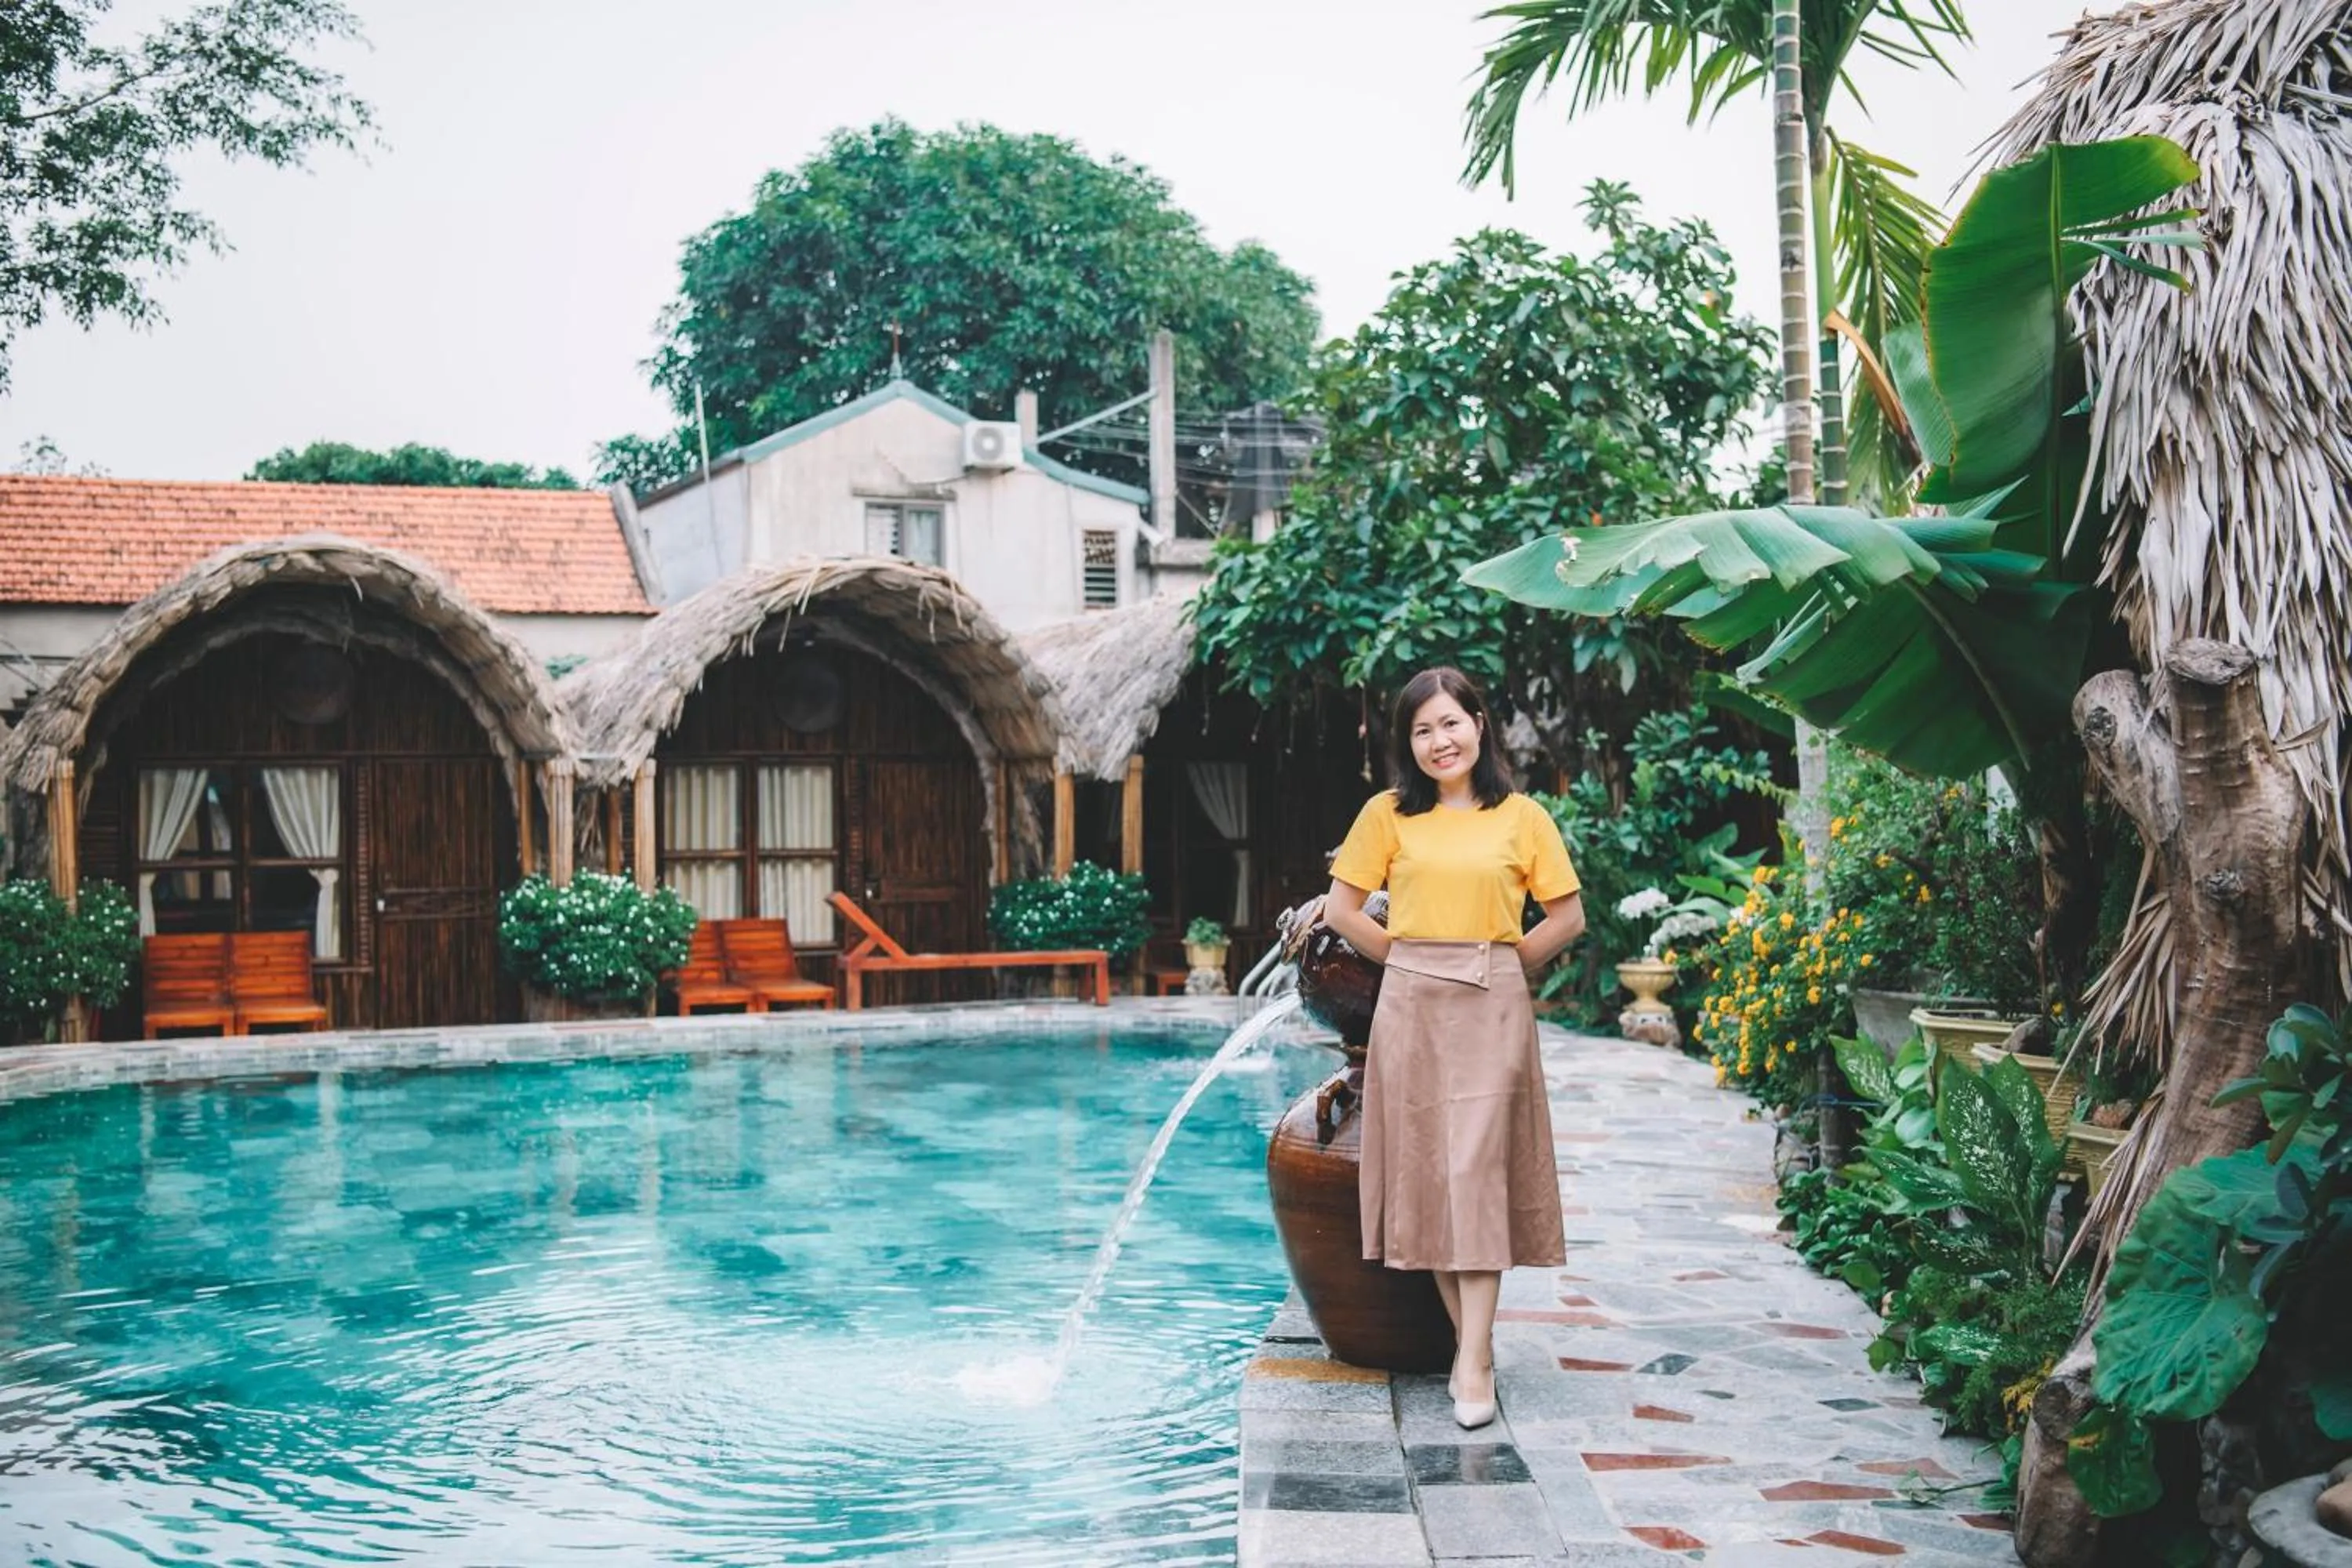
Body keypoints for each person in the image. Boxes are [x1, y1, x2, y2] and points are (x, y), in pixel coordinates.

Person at [1322, 666, 1583, 1429]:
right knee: (1431, 1178)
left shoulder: (1523, 817)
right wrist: (1407, 958)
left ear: (1479, 724)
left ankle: (1471, 1360)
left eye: (1451, 723)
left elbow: (1566, 916)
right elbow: (1341, 910)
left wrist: (1502, 965)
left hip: (1491, 1007)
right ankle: (1477, 1346)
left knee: (1475, 1175)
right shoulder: (1387, 815)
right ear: (1408, 743)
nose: (1440, 740)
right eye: (1422, 729)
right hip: (1411, 1008)